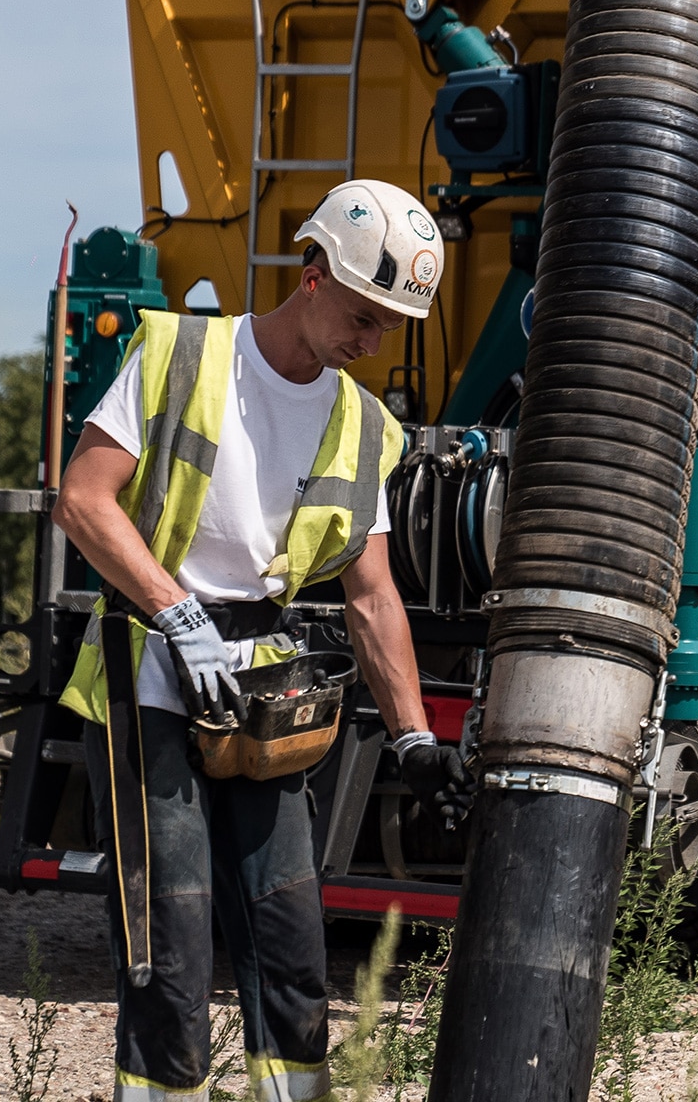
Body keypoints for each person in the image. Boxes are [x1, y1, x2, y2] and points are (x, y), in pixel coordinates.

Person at [52, 179, 469, 1102]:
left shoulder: (364, 426)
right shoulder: (181, 353)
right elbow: (83, 500)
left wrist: (414, 737)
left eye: (390, 327)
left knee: (291, 943)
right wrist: (177, 613)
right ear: (313, 273)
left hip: (259, 693)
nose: (372, 341)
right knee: (175, 939)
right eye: (365, 314)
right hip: (148, 680)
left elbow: (373, 596)